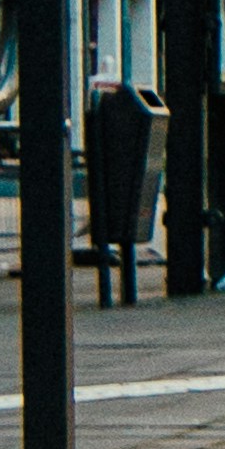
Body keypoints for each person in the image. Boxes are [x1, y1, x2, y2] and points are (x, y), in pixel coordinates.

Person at [82, 66, 156, 306]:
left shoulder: (106, 114)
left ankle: (111, 289)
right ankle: (123, 290)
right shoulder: (121, 115)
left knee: (124, 215)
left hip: (115, 182)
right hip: (120, 177)